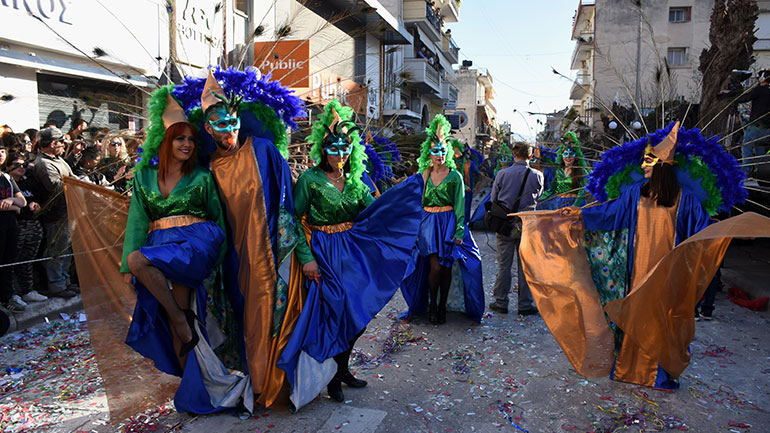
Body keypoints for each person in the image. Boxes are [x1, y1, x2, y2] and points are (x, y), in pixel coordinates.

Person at [518, 122, 753, 390]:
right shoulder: (635, 194)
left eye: (649, 161)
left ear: (664, 164)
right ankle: (630, 367)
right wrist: (579, 214)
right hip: (636, 269)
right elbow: (609, 214)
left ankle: (658, 373)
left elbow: (702, 232)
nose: (643, 166)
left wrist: (731, 231)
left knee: (660, 316)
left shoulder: (685, 200)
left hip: (667, 271)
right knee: (635, 311)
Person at [170, 68, 307, 410]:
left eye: (232, 123)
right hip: (229, 260)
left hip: (269, 254)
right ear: (208, 128)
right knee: (240, 318)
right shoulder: (207, 169)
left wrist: (299, 254)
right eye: (220, 125)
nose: (228, 130)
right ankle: (247, 380)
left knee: (265, 314)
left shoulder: (263, 151)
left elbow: (288, 204)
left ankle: (267, 385)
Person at [278, 100, 423, 410]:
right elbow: (292, 218)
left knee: (358, 315)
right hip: (322, 252)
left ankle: (342, 369)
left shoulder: (357, 182)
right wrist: (306, 258)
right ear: (323, 148)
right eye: (334, 147)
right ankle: (330, 377)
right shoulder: (310, 180)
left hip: (352, 253)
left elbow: (373, 213)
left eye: (345, 148)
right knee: (335, 313)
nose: (340, 153)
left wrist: (402, 202)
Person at [121, 92, 252, 414]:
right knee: (170, 319)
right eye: (179, 138)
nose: (187, 144)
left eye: (191, 140)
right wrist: (127, 265)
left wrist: (216, 260)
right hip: (159, 248)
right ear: (165, 141)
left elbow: (218, 220)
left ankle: (183, 325)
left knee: (176, 308)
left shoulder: (202, 177)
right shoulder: (144, 178)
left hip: (194, 246)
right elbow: (137, 221)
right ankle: (191, 388)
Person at [400, 114, 484, 325]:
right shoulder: (424, 174)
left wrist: (458, 231)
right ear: (429, 152)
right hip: (428, 224)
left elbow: (459, 206)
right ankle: (431, 307)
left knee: (446, 267)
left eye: (443, 151)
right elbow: (413, 201)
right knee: (435, 266)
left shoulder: (454, 176)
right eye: (436, 151)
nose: (440, 155)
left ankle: (441, 306)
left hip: (447, 223)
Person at [488, 142, 544, 316]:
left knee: (504, 265)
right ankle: (525, 304)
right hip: (527, 225)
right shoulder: (538, 175)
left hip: (506, 223)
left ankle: (501, 301)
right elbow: (539, 195)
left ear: (514, 155)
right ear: (530, 156)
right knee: (525, 265)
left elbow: (493, 198)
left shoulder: (502, 174)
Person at [33, 127, 78, 299]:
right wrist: (78, 184)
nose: (63, 145)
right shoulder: (44, 164)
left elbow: (71, 177)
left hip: (69, 210)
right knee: (56, 250)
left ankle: (65, 281)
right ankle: (56, 285)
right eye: (61, 142)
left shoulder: (58, 160)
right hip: (56, 215)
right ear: (53, 144)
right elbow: (57, 188)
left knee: (66, 249)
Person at [6, 153, 47, 305]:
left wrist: (36, 206)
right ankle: (11, 293)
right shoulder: (6, 183)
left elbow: (38, 200)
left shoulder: (29, 183)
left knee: (27, 259)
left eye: (23, 164)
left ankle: (28, 290)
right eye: (17, 164)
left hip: (32, 224)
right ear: (8, 166)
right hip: (15, 226)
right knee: (11, 260)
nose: (21, 167)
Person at [1, 152, 27, 312]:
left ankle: (6, 297)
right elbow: (18, 206)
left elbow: (22, 201)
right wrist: (14, 206)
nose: (0, 154)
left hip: (10, 225)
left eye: (3, 151)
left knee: (8, 262)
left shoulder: (6, 177)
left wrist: (11, 201)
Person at [537, 132, 589, 210]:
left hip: (574, 204)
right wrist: (538, 199)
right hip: (558, 204)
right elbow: (552, 189)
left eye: (571, 154)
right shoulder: (558, 171)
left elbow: (583, 191)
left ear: (575, 156)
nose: (568, 157)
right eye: (565, 154)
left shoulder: (581, 171)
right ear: (562, 156)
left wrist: (574, 206)